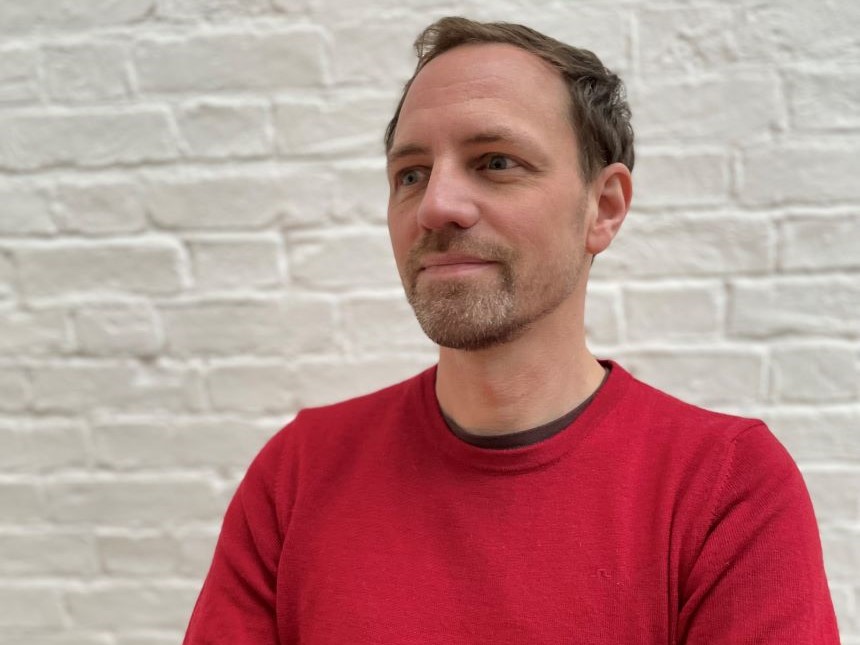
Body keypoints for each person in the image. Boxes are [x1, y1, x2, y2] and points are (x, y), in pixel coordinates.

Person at [183, 16, 839, 644]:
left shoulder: (726, 488)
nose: (437, 204)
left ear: (603, 208)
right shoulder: (298, 474)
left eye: (495, 161)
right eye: (411, 174)